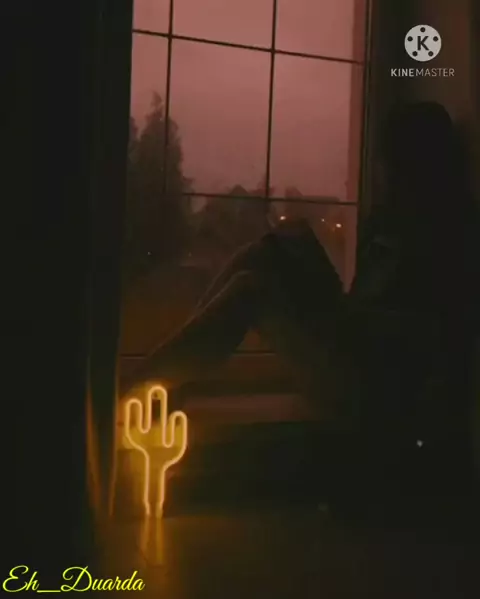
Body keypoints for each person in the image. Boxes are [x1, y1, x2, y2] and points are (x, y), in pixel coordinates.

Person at [120, 102, 477, 445]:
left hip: (374, 389)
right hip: (353, 349)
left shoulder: (452, 234)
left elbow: (435, 337)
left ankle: (131, 389)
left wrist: (351, 315)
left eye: (388, 166)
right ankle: (172, 380)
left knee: (250, 288)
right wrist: (331, 293)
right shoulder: (387, 222)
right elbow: (363, 306)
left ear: (414, 170)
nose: (379, 175)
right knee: (264, 251)